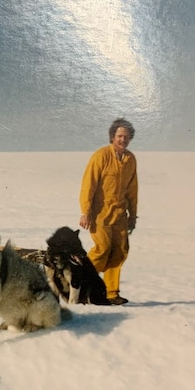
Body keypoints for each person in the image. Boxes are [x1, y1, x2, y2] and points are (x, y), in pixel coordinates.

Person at [78, 118, 139, 305]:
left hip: (119, 214)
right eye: (120, 136)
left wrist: (132, 215)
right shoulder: (101, 156)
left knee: (120, 251)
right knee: (102, 249)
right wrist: (85, 211)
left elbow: (132, 190)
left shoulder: (130, 159)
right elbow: (89, 184)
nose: (123, 140)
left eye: (126, 137)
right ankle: (81, 286)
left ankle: (111, 293)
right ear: (112, 137)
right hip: (100, 214)